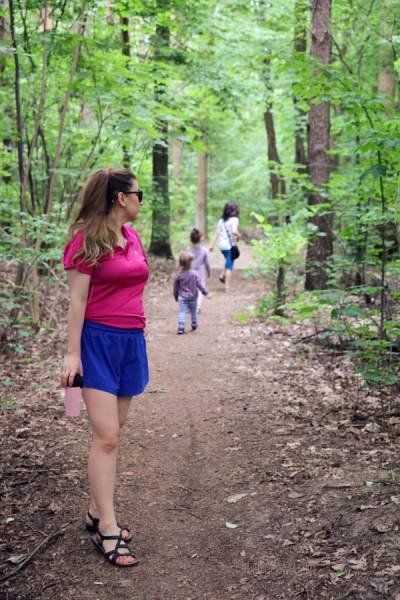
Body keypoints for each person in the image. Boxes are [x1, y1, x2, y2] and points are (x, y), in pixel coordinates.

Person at [61, 167, 149, 568]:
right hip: (96, 342)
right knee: (106, 437)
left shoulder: (131, 236)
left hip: (130, 342)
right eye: (138, 193)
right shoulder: (85, 241)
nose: (140, 200)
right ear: (120, 198)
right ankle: (107, 528)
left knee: (115, 431)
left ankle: (96, 510)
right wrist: (71, 354)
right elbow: (77, 302)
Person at [173, 252, 208, 334]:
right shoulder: (194, 274)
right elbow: (199, 285)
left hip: (182, 297)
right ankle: (194, 324)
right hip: (193, 297)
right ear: (190, 263)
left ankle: (181, 327)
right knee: (193, 311)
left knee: (182, 312)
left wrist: (176, 296)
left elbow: (175, 288)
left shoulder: (179, 275)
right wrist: (205, 292)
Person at [209, 202, 241, 292]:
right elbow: (234, 231)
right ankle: (227, 287)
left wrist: (212, 244)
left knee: (229, 259)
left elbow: (217, 233)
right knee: (230, 266)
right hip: (229, 246)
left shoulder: (221, 220)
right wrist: (239, 235)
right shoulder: (234, 219)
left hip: (222, 245)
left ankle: (222, 275)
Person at [187, 228, 211, 313]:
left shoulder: (188, 250)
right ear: (200, 239)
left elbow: (184, 262)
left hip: (188, 272)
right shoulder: (204, 250)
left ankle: (190, 306)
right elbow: (207, 263)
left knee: (189, 288)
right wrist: (209, 273)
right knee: (200, 290)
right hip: (200, 273)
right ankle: (197, 307)